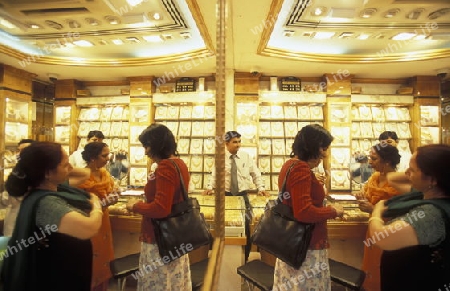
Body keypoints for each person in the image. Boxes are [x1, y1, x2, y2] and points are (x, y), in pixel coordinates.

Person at [1, 142, 103, 291]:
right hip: (54, 278)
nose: (71, 168)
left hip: (63, 272)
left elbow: (85, 173)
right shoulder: (46, 203)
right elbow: (88, 228)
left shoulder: (57, 188)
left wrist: (64, 165)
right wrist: (96, 205)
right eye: (65, 165)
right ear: (48, 173)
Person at [368, 144, 450, 291]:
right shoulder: (423, 194)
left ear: (432, 179)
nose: (406, 173)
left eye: (412, 170)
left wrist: (377, 212)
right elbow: (392, 178)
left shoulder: (430, 215)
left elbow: (381, 237)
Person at [272, 124, 344, 291]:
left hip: (293, 242)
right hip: (306, 245)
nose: (325, 153)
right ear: (314, 147)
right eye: (324, 148)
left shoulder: (290, 164)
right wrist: (334, 211)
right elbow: (304, 212)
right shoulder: (301, 169)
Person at [125, 124, 192, 291]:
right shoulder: (179, 163)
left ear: (157, 145)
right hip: (175, 236)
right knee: (173, 282)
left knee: (160, 283)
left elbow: (161, 209)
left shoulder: (165, 167)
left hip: (160, 238)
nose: (145, 151)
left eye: (147, 146)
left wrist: (136, 206)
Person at [203, 130, 267, 262]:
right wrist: (209, 187)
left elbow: (255, 173)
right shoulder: (220, 157)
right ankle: (219, 257)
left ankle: (245, 257)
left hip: (242, 196)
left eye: (239, 142)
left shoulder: (246, 157)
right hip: (225, 196)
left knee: (246, 226)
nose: (238, 145)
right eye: (235, 142)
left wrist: (261, 188)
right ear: (226, 143)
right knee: (220, 226)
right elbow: (214, 175)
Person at [355, 143, 401, 291]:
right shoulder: (374, 177)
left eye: (374, 159)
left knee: (384, 268)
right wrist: (361, 197)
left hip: (390, 232)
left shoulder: (400, 183)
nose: (369, 162)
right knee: (370, 266)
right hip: (372, 231)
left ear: (387, 161)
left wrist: (373, 209)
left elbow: (400, 212)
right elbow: (366, 193)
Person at [77, 142, 118, 291]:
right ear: (93, 158)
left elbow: (110, 191)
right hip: (88, 224)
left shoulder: (105, 174)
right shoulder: (80, 178)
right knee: (90, 261)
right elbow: (82, 206)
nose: (108, 158)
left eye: (108, 154)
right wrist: (107, 202)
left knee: (104, 260)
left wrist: (114, 196)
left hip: (104, 223)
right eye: (104, 155)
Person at [1, 139, 35, 237]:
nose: (19, 154)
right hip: (11, 227)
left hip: (25, 230)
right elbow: (5, 198)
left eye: (24, 151)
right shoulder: (17, 172)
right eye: (18, 150)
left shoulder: (37, 175)